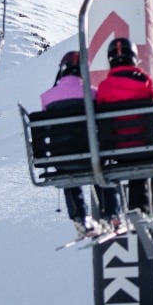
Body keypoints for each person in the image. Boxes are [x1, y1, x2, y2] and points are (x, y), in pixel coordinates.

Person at [39, 50, 121, 238]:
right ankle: (111, 215)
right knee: (102, 169)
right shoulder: (92, 94)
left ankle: (79, 217)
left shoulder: (47, 97)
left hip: (63, 159)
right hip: (91, 157)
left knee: (68, 167)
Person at [95, 38, 153, 224]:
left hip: (119, 151)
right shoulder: (145, 81)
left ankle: (138, 209)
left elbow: (99, 115)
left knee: (134, 169)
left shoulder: (105, 87)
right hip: (148, 148)